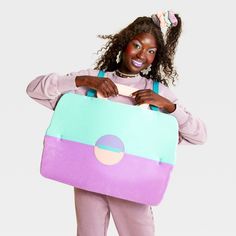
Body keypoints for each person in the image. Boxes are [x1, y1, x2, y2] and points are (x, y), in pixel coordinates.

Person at [26, 10, 207, 236]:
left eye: (151, 51)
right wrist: (82, 80)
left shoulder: (157, 93)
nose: (143, 55)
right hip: (89, 179)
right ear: (124, 43)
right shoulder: (92, 80)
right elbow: (34, 89)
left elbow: (199, 136)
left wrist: (170, 108)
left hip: (133, 186)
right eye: (137, 45)